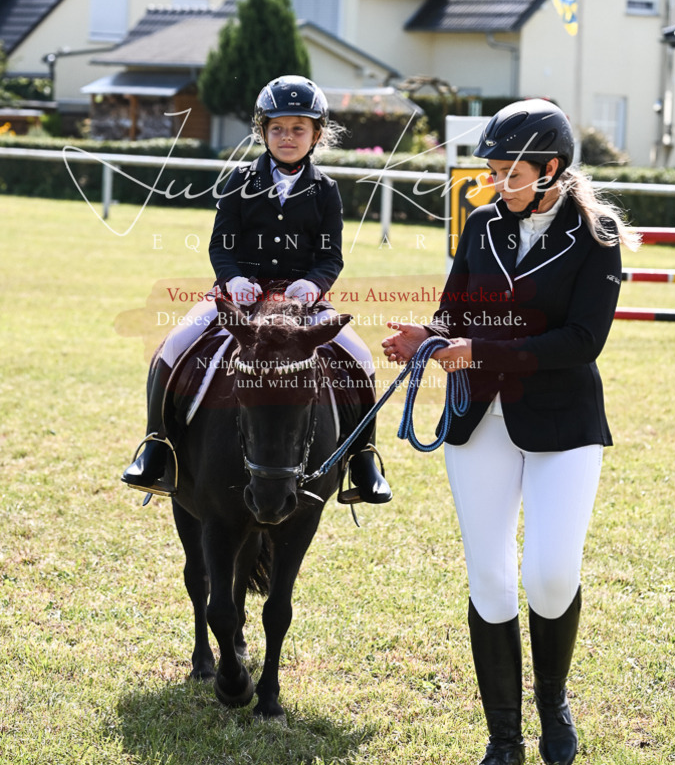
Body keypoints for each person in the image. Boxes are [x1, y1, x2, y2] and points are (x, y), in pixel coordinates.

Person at [382, 99, 638, 765]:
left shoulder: (599, 235)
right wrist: (428, 338)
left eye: (510, 171)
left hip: (565, 422)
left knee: (550, 576)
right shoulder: (482, 225)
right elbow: (454, 312)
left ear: (551, 168)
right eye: (493, 171)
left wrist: (479, 350)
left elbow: (581, 341)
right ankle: (504, 739)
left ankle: (553, 701)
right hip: (478, 421)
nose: (497, 183)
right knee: (490, 579)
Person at [122, 75, 391, 506]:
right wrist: (232, 280)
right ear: (262, 131)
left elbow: (331, 257)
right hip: (238, 296)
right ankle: (156, 446)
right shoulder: (238, 179)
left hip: (300, 301)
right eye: (278, 128)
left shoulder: (326, 191)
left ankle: (364, 459)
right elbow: (220, 244)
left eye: (298, 129)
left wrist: (314, 285)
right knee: (174, 346)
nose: (287, 137)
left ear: (317, 134)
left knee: (360, 357)